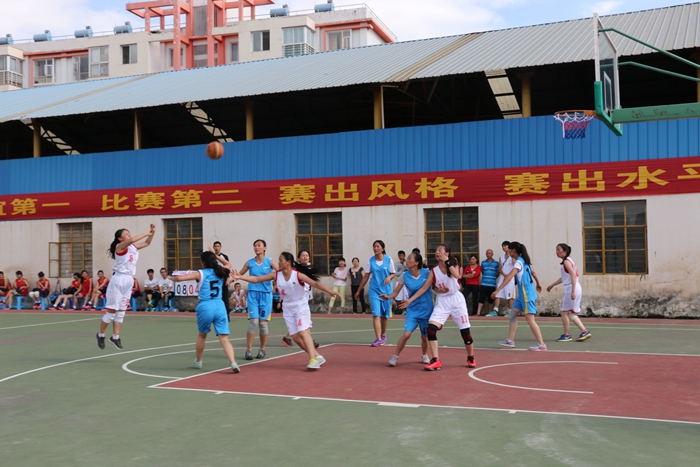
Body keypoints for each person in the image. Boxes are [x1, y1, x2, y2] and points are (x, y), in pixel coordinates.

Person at [233, 252, 340, 370]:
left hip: (300, 307)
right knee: (296, 338)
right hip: (288, 309)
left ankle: (312, 359)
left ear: (288, 262)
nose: (278, 262)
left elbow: (315, 283)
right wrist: (241, 277)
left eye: (281, 260)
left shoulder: (297, 275)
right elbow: (257, 279)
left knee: (303, 332)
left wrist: (330, 292)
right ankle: (317, 356)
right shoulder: (276, 275)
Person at [401, 245, 476, 371]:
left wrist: (447, 261)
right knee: (431, 329)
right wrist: (410, 300)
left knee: (465, 333)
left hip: (457, 301)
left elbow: (457, 275)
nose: (437, 252)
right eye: (436, 250)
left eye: (440, 250)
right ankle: (436, 360)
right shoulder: (434, 271)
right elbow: (425, 287)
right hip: (443, 301)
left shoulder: (453, 263)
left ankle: (471, 357)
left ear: (447, 253)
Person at [169, 250, 240, 373]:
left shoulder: (200, 273)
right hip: (220, 306)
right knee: (224, 339)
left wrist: (169, 277)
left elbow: (179, 278)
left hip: (206, 306)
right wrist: (216, 255)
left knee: (202, 336)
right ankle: (233, 362)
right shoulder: (221, 271)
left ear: (203, 263)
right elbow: (228, 264)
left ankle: (199, 361)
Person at [96, 224, 155, 350]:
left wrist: (152, 233)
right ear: (120, 238)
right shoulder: (120, 247)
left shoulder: (133, 247)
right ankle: (101, 335)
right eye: (126, 234)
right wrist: (147, 232)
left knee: (121, 311)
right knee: (111, 312)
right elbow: (132, 240)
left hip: (129, 280)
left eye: (129, 233)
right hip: (119, 279)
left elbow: (147, 243)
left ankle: (115, 337)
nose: (129, 235)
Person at [380, 252, 433, 366]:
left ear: (416, 262)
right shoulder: (404, 275)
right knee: (406, 334)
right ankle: (395, 356)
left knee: (425, 337)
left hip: (426, 309)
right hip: (413, 309)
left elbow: (435, 286)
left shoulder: (427, 273)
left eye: (409, 258)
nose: (407, 260)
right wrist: (388, 297)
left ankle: (424, 355)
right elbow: (396, 291)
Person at [492, 241, 546, 351]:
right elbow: (533, 272)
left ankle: (541, 344)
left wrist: (498, 290)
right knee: (512, 314)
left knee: (530, 320)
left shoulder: (519, 263)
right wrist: (538, 283)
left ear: (513, 251)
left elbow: (509, 277)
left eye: (509, 250)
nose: (508, 252)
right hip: (522, 295)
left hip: (527, 295)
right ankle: (510, 340)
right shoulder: (524, 260)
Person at [237, 239, 275, 360]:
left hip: (266, 296)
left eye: (259, 245)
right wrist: (231, 278)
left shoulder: (270, 262)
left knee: (263, 324)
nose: (256, 247)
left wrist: (277, 283)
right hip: (253, 294)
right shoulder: (250, 262)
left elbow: (280, 272)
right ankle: (248, 350)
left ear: (264, 248)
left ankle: (262, 349)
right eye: (255, 245)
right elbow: (239, 275)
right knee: (253, 322)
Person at [547, 243, 592, 342]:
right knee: (570, 313)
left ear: (565, 251)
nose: (557, 252)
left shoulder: (567, 262)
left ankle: (567, 335)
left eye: (558, 249)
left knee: (564, 311)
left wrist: (572, 291)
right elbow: (565, 277)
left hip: (572, 287)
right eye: (556, 249)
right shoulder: (568, 261)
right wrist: (553, 284)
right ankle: (584, 331)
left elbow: (573, 276)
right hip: (574, 287)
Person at [354, 240, 395, 347]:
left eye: (377, 246)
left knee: (384, 316)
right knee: (376, 314)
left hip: (386, 291)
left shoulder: (389, 259)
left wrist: (389, 277)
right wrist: (358, 290)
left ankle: (383, 335)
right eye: (374, 246)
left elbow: (393, 274)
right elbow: (366, 276)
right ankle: (378, 338)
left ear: (382, 248)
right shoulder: (370, 261)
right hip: (374, 290)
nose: (375, 248)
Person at [281, 250, 319, 348]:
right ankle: (307, 340)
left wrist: (313, 285)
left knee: (304, 319)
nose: (305, 257)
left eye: (307, 255)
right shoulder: (295, 269)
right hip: (297, 297)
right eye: (303, 255)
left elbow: (312, 279)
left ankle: (289, 337)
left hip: (305, 294)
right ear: (298, 258)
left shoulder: (309, 267)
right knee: (303, 319)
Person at [494, 241, 516, 317]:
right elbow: (500, 268)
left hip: (510, 279)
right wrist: (504, 274)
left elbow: (515, 267)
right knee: (497, 294)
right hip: (502, 278)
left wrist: (509, 276)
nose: (504, 247)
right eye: (503, 246)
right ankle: (495, 311)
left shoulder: (512, 256)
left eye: (505, 246)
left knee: (510, 297)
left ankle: (510, 312)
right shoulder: (501, 257)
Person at [213, 241, 232, 320]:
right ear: (213, 247)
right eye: (215, 246)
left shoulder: (224, 257)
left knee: (225, 297)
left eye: (218, 246)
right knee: (215, 298)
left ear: (220, 247)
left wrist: (227, 278)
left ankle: (227, 315)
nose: (217, 248)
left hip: (223, 280)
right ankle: (215, 315)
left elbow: (228, 268)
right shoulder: (211, 257)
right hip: (214, 280)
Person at [478, 249, 499, 316]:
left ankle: (489, 313)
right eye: (487, 253)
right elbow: (483, 272)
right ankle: (478, 313)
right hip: (484, 283)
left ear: (492, 254)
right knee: (481, 299)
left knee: (490, 300)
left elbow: (498, 273)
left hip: (492, 284)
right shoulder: (483, 263)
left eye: (489, 253)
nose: (488, 254)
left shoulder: (496, 263)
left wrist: (493, 277)